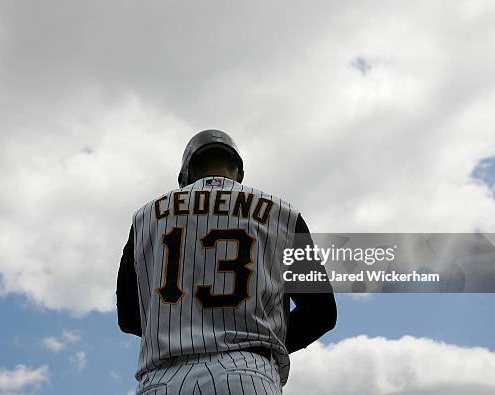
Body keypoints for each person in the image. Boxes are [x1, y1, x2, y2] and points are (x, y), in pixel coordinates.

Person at [117, 129, 336, 394]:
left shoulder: (146, 216)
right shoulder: (283, 215)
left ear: (185, 174)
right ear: (239, 174)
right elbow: (322, 313)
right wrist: (260, 340)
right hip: (247, 373)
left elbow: (129, 317)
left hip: (162, 379)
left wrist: (179, 332)